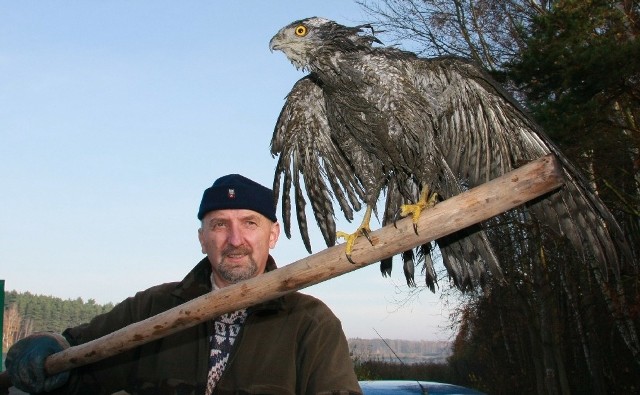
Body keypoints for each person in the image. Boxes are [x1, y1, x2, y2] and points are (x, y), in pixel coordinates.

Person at [6, 174, 363, 395]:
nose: (235, 239)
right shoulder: (152, 310)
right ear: (201, 237)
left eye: (250, 224)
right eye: (220, 224)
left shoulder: (311, 325)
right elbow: (78, 365)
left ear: (272, 236)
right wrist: (52, 350)